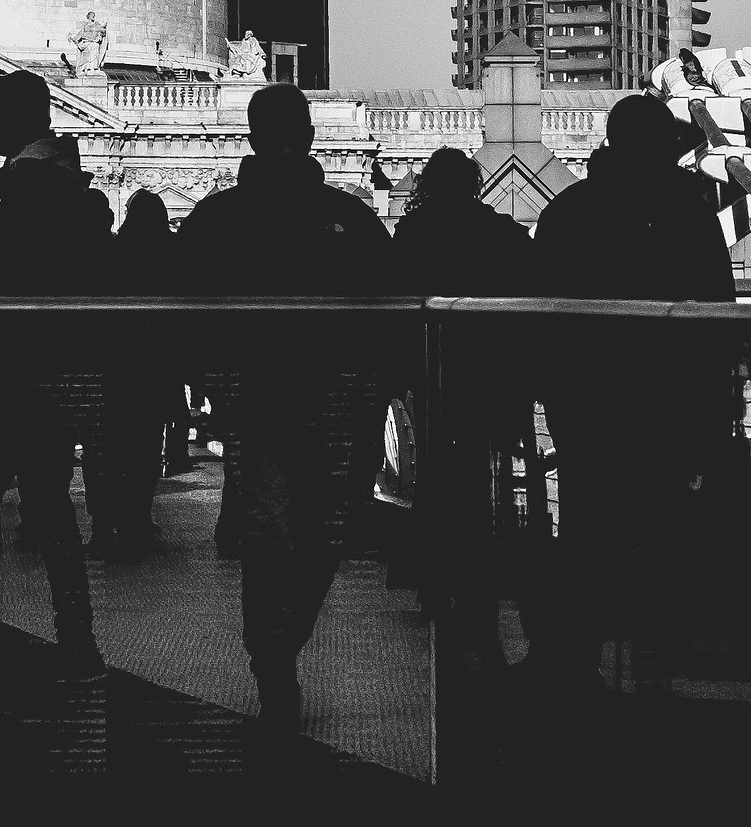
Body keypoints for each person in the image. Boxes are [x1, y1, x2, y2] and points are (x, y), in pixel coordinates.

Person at [173, 80, 396, 734]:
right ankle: (275, 653)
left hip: (286, 400)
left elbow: (183, 306)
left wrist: (211, 379)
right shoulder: (346, 217)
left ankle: (274, 646)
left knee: (295, 537)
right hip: (296, 402)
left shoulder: (220, 217)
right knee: (294, 536)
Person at [532, 95, 735, 689]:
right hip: (671, 402)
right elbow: (717, 309)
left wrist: (556, 389)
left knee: (589, 528)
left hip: (588, 401)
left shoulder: (570, 210)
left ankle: (580, 657)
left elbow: (544, 311)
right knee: (666, 529)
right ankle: (657, 658)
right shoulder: (689, 210)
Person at [0, 70, 111, 677]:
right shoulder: (65, 183)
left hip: (13, 372)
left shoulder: (31, 186)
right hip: (48, 367)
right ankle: (75, 634)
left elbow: (6, 274)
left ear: (19, 120)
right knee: (50, 507)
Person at [389, 149, 532, 662]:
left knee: (434, 471)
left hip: (433, 372)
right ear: (473, 185)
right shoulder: (504, 235)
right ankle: (482, 578)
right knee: (485, 473)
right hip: (490, 373)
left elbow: (397, 305)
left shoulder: (411, 235)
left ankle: (435, 577)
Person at [102, 187, 180, 560]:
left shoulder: (116, 252)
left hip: (119, 364)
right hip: (158, 364)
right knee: (149, 444)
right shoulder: (171, 252)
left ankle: (116, 514)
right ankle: (139, 513)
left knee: (116, 445)